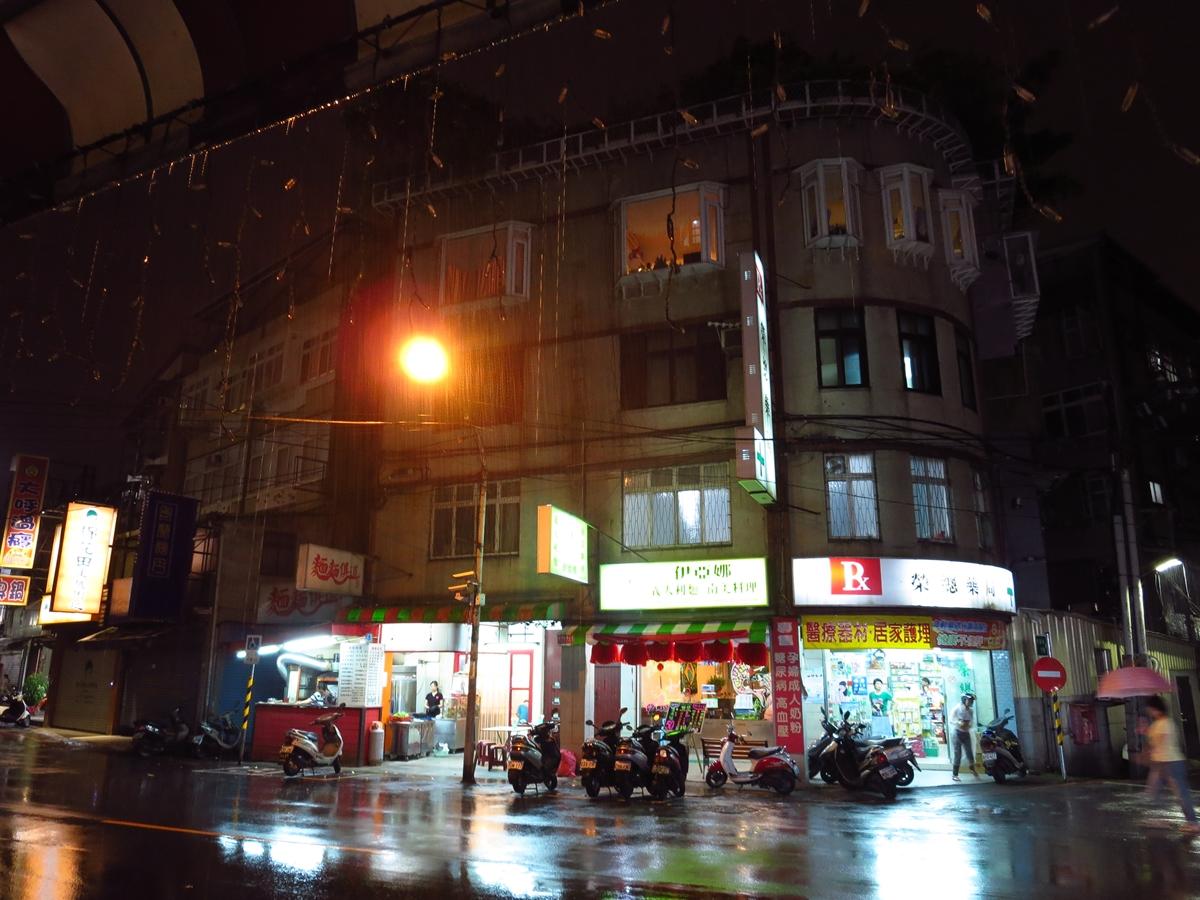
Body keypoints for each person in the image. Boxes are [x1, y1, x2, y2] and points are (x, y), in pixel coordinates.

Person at [1143, 695, 1199, 832]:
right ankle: (1160, 819)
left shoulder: (1166, 723)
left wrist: (1150, 745)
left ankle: (1193, 822)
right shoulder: (1158, 723)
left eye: (1150, 709)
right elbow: (1154, 742)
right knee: (1154, 790)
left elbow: (1160, 743)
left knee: (1181, 792)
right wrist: (1145, 731)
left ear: (1156, 708)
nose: (1149, 712)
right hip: (1162, 763)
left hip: (1171, 762)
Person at [950, 692, 979, 782]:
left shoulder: (971, 711)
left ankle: (972, 768)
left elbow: (972, 721)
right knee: (957, 754)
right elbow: (951, 719)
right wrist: (958, 723)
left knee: (969, 753)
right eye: (969, 700)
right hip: (957, 733)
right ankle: (955, 774)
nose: (970, 702)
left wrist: (969, 725)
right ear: (964, 700)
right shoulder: (957, 708)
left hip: (966, 733)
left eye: (972, 701)